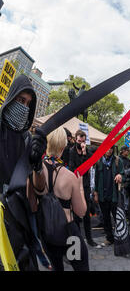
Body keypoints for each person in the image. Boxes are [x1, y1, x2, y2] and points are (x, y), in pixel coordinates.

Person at [0, 74, 49, 270]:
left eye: (29, 103)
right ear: (11, 98)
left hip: (21, 221)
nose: (24, 107)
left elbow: (40, 189)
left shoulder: (27, 140)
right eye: (21, 100)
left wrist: (37, 165)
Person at [30, 127, 89, 271]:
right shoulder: (69, 176)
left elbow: (32, 206)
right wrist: (79, 185)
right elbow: (81, 212)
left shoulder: (33, 171)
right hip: (69, 235)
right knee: (80, 266)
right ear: (63, 147)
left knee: (57, 267)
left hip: (47, 232)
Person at [69, 130, 99, 248]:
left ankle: (89, 238)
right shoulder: (71, 151)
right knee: (76, 215)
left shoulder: (88, 152)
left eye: (83, 141)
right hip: (75, 186)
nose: (81, 143)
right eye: (79, 140)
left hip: (85, 187)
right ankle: (78, 239)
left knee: (86, 213)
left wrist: (85, 152)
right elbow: (73, 168)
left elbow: (91, 164)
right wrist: (81, 156)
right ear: (75, 139)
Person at [93, 147, 124, 247]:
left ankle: (121, 237)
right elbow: (95, 179)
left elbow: (124, 173)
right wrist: (96, 193)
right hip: (103, 195)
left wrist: (120, 175)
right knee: (106, 218)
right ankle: (109, 238)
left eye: (111, 148)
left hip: (114, 195)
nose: (109, 150)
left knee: (117, 218)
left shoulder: (118, 161)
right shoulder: (98, 161)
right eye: (107, 148)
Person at [118, 145, 130, 229]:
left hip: (129, 185)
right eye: (127, 150)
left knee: (129, 204)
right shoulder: (118, 160)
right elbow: (120, 172)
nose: (128, 152)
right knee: (123, 204)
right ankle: (124, 220)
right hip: (122, 185)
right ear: (122, 151)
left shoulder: (128, 160)